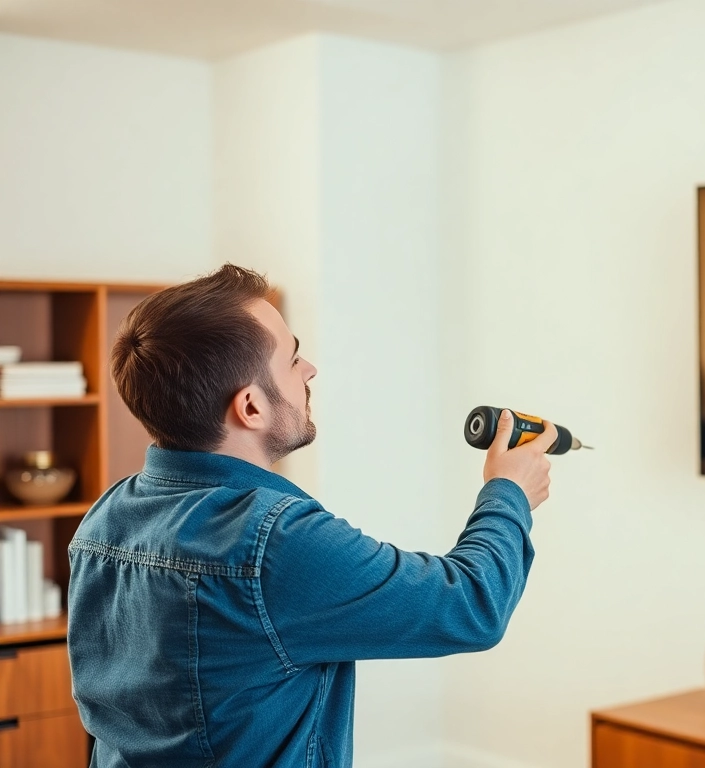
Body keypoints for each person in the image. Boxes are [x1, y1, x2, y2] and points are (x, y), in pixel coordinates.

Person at [66, 264, 555, 767]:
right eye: (293, 358)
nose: (310, 369)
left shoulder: (105, 517)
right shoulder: (276, 542)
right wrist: (508, 491)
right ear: (250, 407)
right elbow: (472, 605)